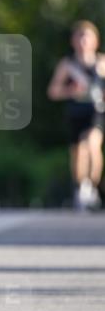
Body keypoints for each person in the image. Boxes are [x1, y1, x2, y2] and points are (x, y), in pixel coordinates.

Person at [47, 20, 105, 211]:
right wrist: (70, 90)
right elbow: (53, 91)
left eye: (86, 37)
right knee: (78, 153)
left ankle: (93, 186)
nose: (83, 42)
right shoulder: (68, 65)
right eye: (79, 37)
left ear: (95, 41)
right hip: (75, 113)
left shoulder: (101, 62)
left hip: (96, 112)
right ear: (73, 41)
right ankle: (81, 187)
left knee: (92, 145)